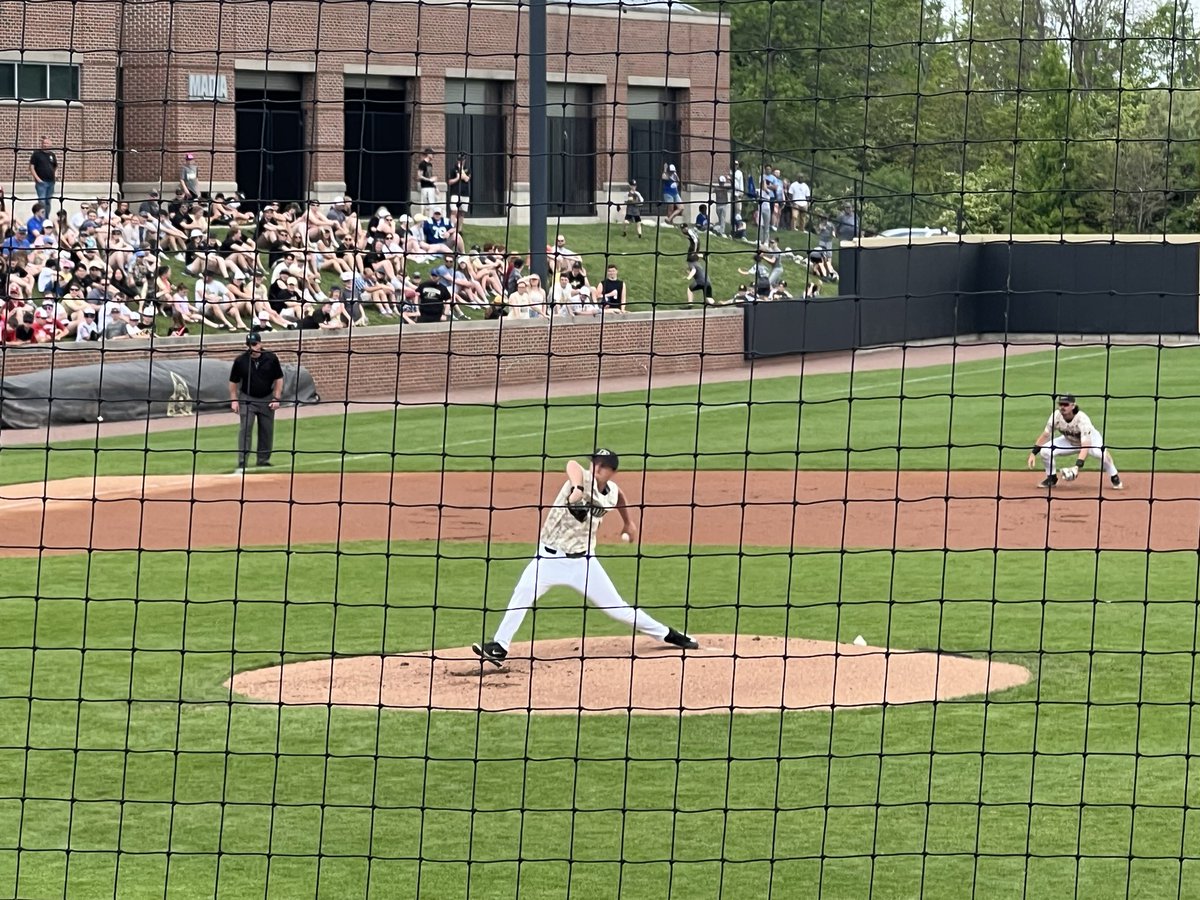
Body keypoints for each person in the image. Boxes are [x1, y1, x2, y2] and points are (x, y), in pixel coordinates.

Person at [471, 449, 699, 667]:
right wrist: (577, 488)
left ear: (612, 472)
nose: (598, 467)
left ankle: (669, 635)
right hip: (548, 559)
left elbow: (618, 496)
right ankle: (499, 647)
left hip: (584, 563)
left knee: (618, 609)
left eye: (605, 465)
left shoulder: (610, 490)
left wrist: (628, 522)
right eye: (596, 462)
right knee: (520, 596)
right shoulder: (580, 479)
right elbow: (572, 465)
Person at [1027, 394, 1124, 490]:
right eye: (1060, 404)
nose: (1062, 407)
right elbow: (1045, 434)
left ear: (1073, 405)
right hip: (1070, 440)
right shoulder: (1056, 416)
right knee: (1045, 451)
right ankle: (1051, 478)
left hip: (1091, 441)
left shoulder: (1082, 419)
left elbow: (1085, 446)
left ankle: (1114, 477)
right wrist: (1033, 453)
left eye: (1065, 404)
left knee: (1101, 455)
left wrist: (1077, 466)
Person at [228, 332, 284, 471]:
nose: (251, 347)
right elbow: (233, 381)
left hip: (266, 398)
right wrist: (234, 400)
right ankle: (242, 460)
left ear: (260, 344)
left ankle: (263, 459)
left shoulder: (271, 358)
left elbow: (279, 378)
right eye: (249, 345)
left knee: (266, 429)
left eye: (254, 344)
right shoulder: (241, 360)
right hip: (247, 398)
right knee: (245, 428)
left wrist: (276, 398)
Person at [29, 137, 57, 207]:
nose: (45, 145)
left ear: (50, 145)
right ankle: (42, 218)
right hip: (41, 183)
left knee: (48, 202)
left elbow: (55, 166)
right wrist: (38, 179)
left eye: (47, 143)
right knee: (42, 202)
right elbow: (31, 167)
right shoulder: (36, 154)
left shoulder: (52, 155)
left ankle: (46, 218)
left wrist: (55, 175)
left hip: (51, 182)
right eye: (44, 143)